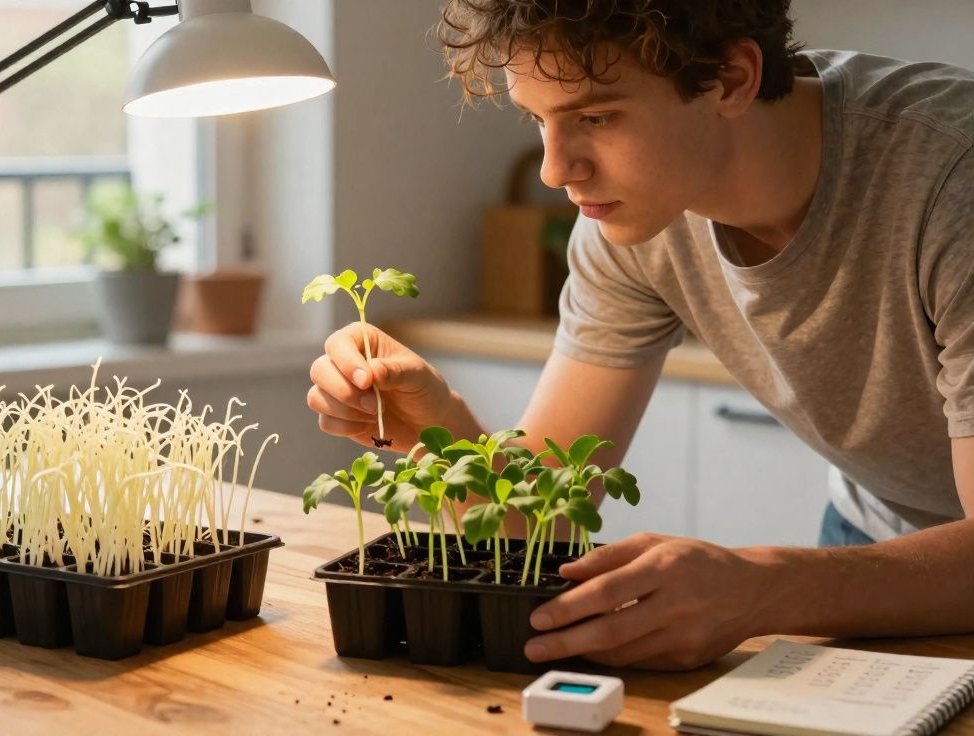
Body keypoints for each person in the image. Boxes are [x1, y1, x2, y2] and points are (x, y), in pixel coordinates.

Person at [306, 0, 974, 671]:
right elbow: (542, 519)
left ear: (733, 78)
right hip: (870, 546)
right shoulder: (630, 225)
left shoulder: (950, 180)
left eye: (595, 117)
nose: (555, 170)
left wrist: (760, 586)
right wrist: (438, 427)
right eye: (538, 120)